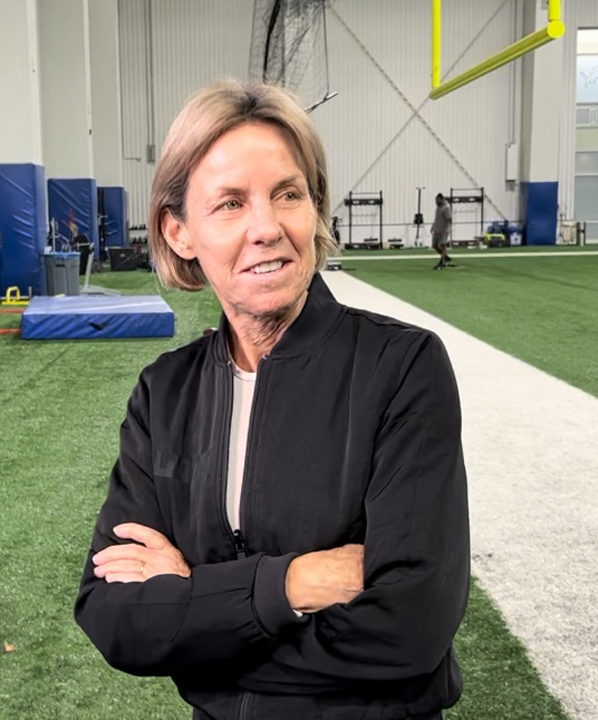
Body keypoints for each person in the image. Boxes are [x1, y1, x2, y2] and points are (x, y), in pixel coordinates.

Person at [75, 80, 470, 720]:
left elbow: (412, 627)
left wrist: (190, 606)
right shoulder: (164, 391)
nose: (267, 227)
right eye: (230, 204)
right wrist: (294, 584)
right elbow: (112, 613)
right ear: (179, 231)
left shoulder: (402, 366)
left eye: (288, 194)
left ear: (314, 209)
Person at [431, 193, 453, 269]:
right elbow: (436, 219)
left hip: (443, 230)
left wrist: (448, 228)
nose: (436, 202)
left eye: (437, 200)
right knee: (434, 245)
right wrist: (433, 226)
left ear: (441, 199)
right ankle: (445, 257)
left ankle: (441, 262)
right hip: (437, 229)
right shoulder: (438, 208)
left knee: (443, 245)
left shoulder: (445, 208)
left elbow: (449, 219)